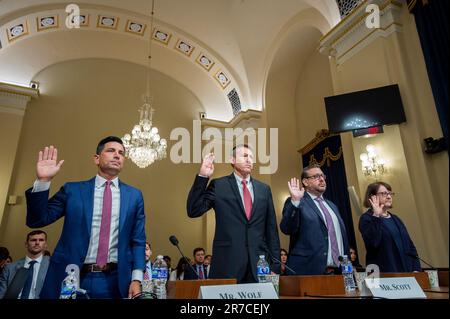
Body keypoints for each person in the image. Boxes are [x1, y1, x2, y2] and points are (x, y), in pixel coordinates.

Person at [25, 137, 146, 299]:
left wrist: (137, 279)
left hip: (116, 280)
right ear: (96, 158)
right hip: (71, 277)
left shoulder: (134, 196)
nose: (117, 155)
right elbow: (37, 220)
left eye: (121, 153)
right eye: (111, 151)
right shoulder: (72, 190)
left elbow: (138, 240)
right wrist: (43, 181)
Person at [187, 145, 280, 283]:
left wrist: (275, 264)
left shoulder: (264, 189)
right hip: (227, 263)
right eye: (244, 156)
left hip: (259, 265)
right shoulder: (219, 185)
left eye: (251, 157)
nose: (249, 160)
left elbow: (271, 229)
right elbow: (193, 210)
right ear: (232, 159)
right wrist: (203, 177)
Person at [280, 164, 350, 275]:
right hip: (308, 271)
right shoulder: (297, 202)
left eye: (322, 176)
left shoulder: (332, 206)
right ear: (305, 182)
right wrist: (295, 202)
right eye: (316, 176)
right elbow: (287, 228)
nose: (322, 179)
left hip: (339, 272)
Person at [359, 182, 421, 273]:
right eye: (384, 193)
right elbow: (373, 243)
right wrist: (376, 215)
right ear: (373, 197)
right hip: (383, 274)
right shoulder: (366, 218)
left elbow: (410, 246)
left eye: (390, 193)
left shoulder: (396, 219)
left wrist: (416, 269)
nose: (389, 196)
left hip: (407, 272)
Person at [0, 230, 50, 299]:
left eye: (41, 240)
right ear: (26, 244)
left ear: (45, 245)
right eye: (33, 240)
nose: (37, 243)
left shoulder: (51, 267)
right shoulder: (9, 268)